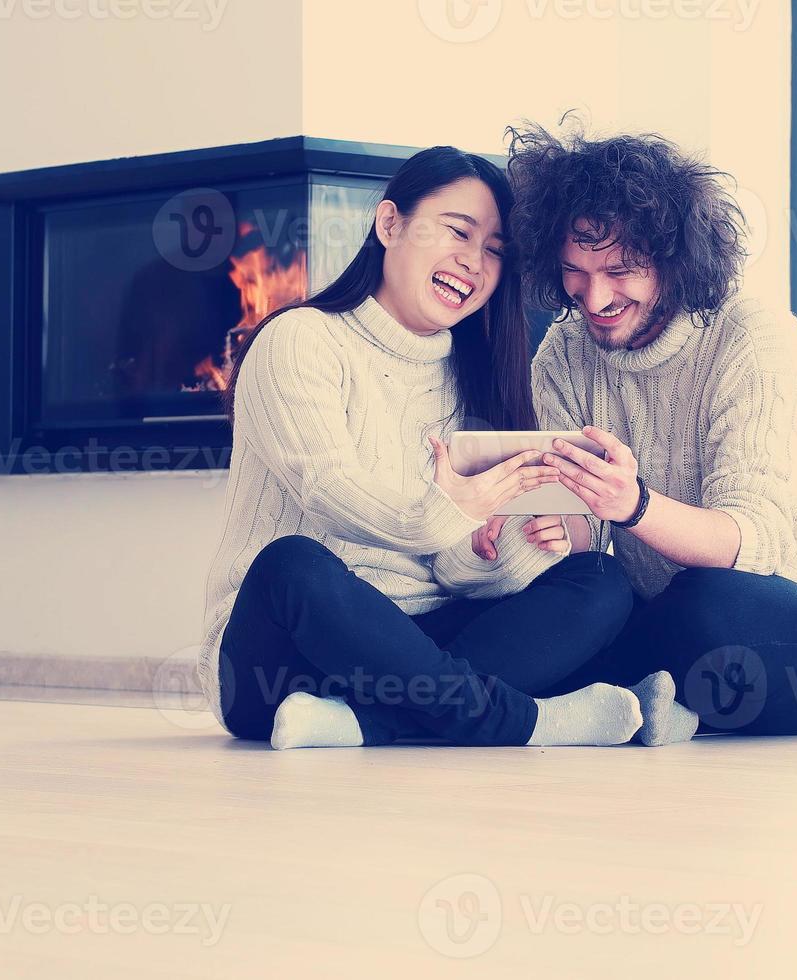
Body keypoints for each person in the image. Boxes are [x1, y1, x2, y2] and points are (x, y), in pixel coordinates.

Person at [198, 145, 662, 750]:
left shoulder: (475, 376)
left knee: (599, 582)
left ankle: (361, 725)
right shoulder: (299, 340)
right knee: (293, 564)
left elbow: (456, 570)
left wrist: (492, 545)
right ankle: (522, 721)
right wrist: (453, 510)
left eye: (494, 251)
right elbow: (326, 489)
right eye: (458, 233)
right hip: (284, 659)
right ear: (389, 224)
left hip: (416, 654)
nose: (473, 262)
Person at [493, 122, 797, 744]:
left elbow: (755, 543)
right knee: (583, 598)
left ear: (675, 258)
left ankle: (565, 699)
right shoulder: (563, 353)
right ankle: (629, 703)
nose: (594, 295)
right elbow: (588, 536)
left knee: (709, 606)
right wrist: (548, 525)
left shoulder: (755, 338)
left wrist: (631, 505)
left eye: (621, 269)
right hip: (665, 618)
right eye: (574, 271)